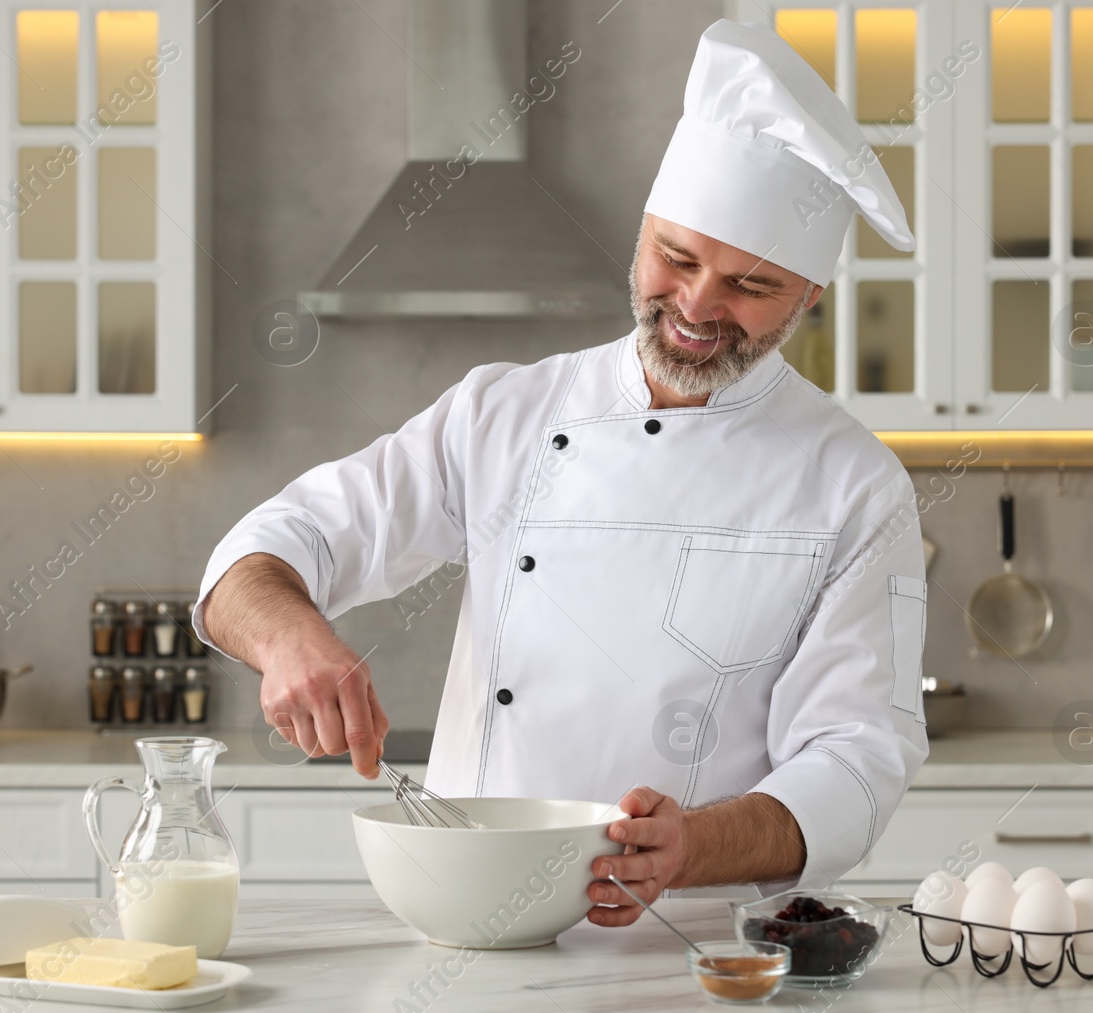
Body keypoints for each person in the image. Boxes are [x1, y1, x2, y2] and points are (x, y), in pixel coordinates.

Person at [195, 19, 929, 927]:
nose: (698, 305)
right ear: (642, 232)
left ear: (811, 295)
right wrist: (288, 638)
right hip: (475, 935)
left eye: (752, 285)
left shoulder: (855, 486)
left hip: (697, 966)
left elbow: (857, 763)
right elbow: (261, 554)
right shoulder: (503, 414)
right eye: (679, 256)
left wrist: (691, 845)